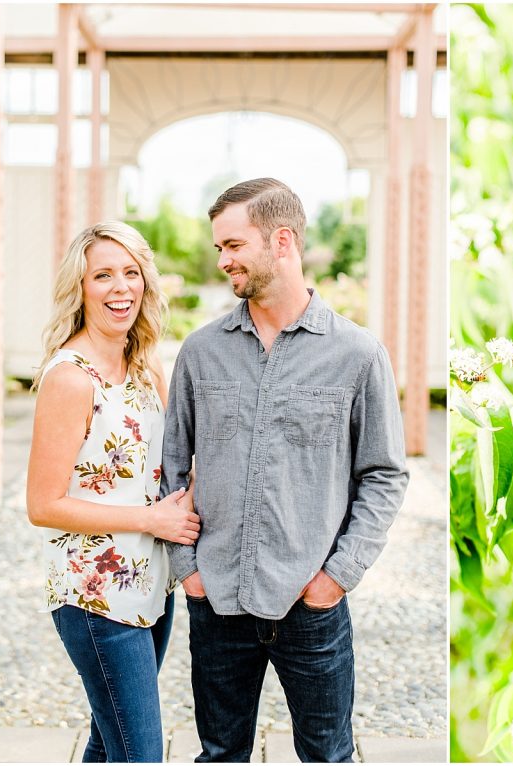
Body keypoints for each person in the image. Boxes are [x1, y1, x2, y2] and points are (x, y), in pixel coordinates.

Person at [160, 178, 409, 763]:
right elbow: (170, 466)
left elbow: (385, 473)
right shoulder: (201, 351)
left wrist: (338, 576)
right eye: (218, 247)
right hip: (216, 599)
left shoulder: (358, 354)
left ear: (282, 240)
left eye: (233, 245)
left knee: (328, 754)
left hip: (311, 603)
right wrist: (187, 569)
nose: (222, 260)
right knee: (220, 754)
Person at [27, 221, 201, 763]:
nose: (120, 287)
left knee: (111, 744)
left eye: (131, 273)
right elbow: (42, 505)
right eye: (103, 275)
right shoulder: (70, 378)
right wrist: (152, 521)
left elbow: (174, 463)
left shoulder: (147, 363)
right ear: (80, 288)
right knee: (141, 754)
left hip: (154, 584)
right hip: (95, 595)